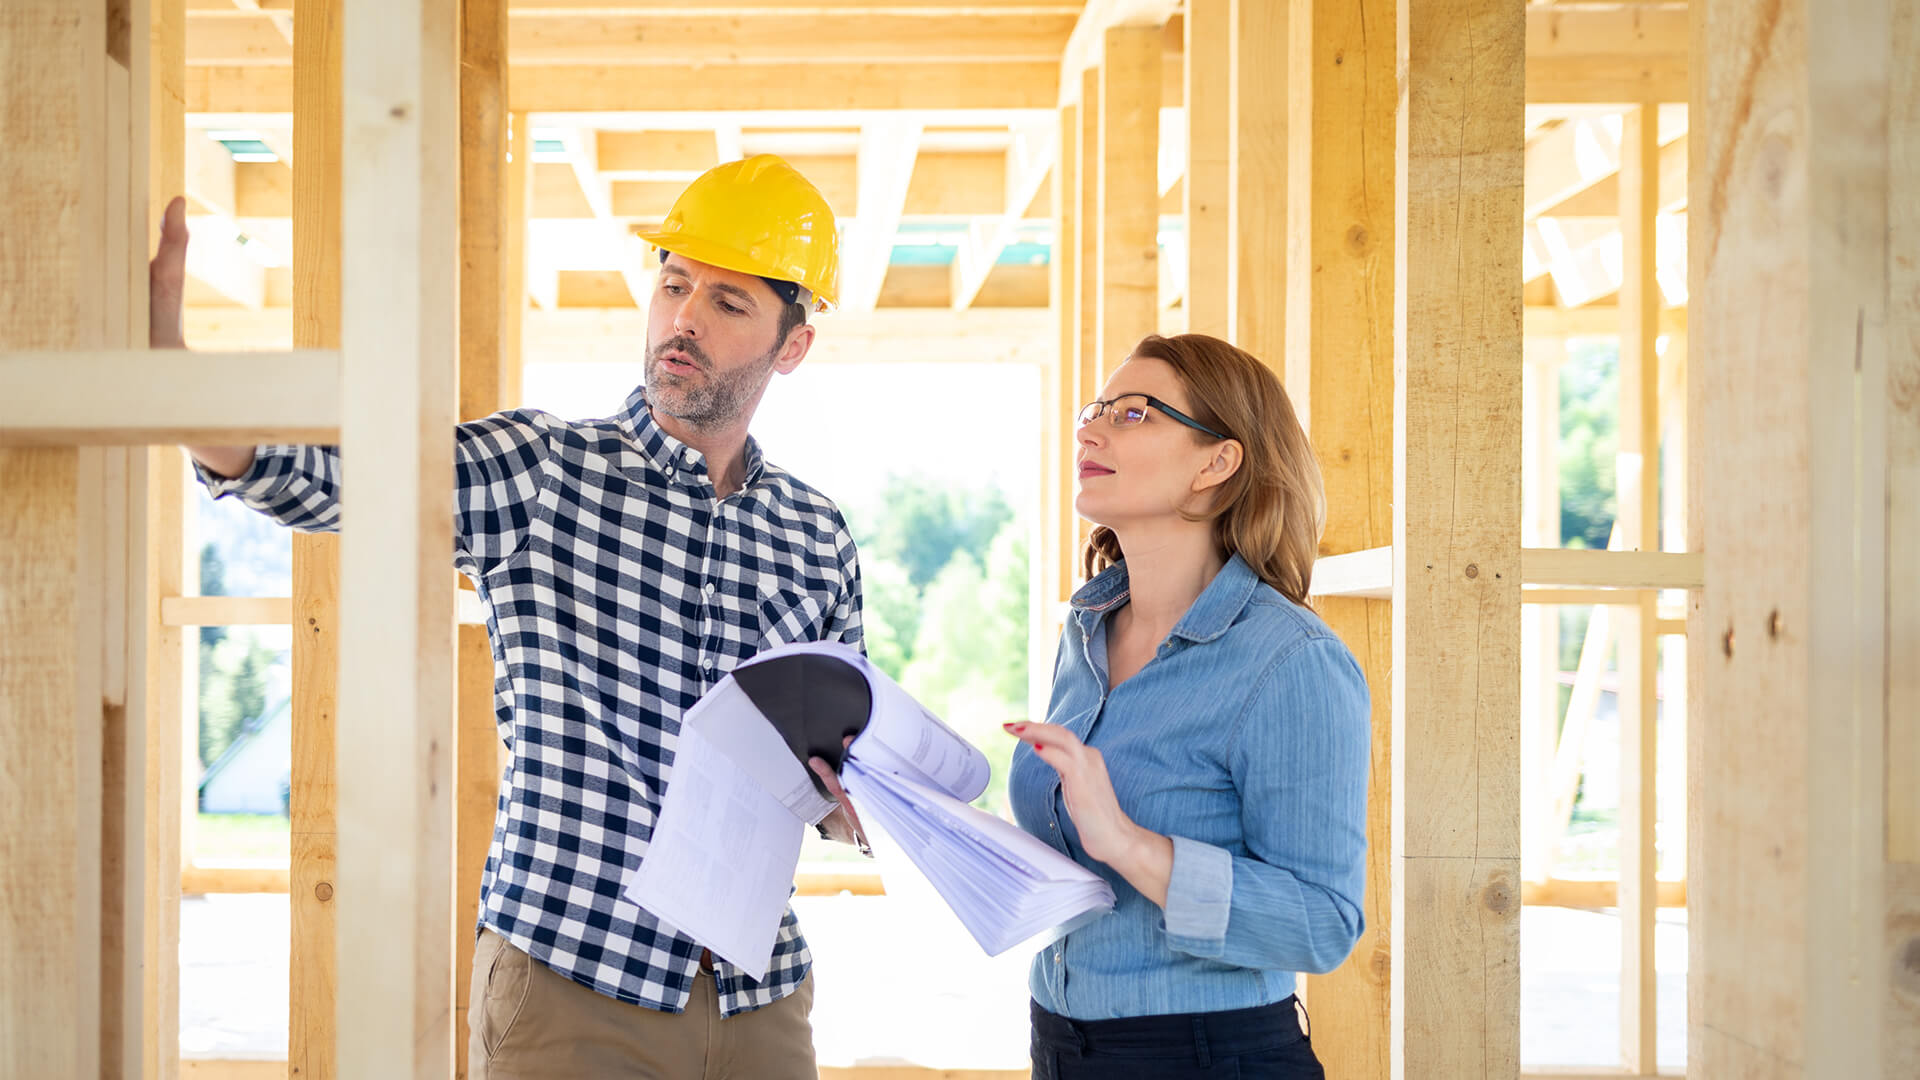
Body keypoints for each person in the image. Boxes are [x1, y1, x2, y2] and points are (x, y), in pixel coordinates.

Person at [149, 155, 873, 1080]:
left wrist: (855, 803)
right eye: (674, 283)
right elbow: (350, 475)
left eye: (728, 303)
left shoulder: (815, 533)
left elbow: (842, 751)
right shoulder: (543, 472)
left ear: (792, 346)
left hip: (760, 997)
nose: (683, 317)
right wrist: (176, 388)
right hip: (573, 990)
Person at [1004, 333, 1371, 1079]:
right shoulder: (1086, 633)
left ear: (1217, 462)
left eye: (1134, 414)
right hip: (1061, 1044)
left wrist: (1131, 845)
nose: (1091, 428)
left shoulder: (1289, 661)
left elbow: (1323, 924)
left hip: (1206, 1056)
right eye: (1096, 409)